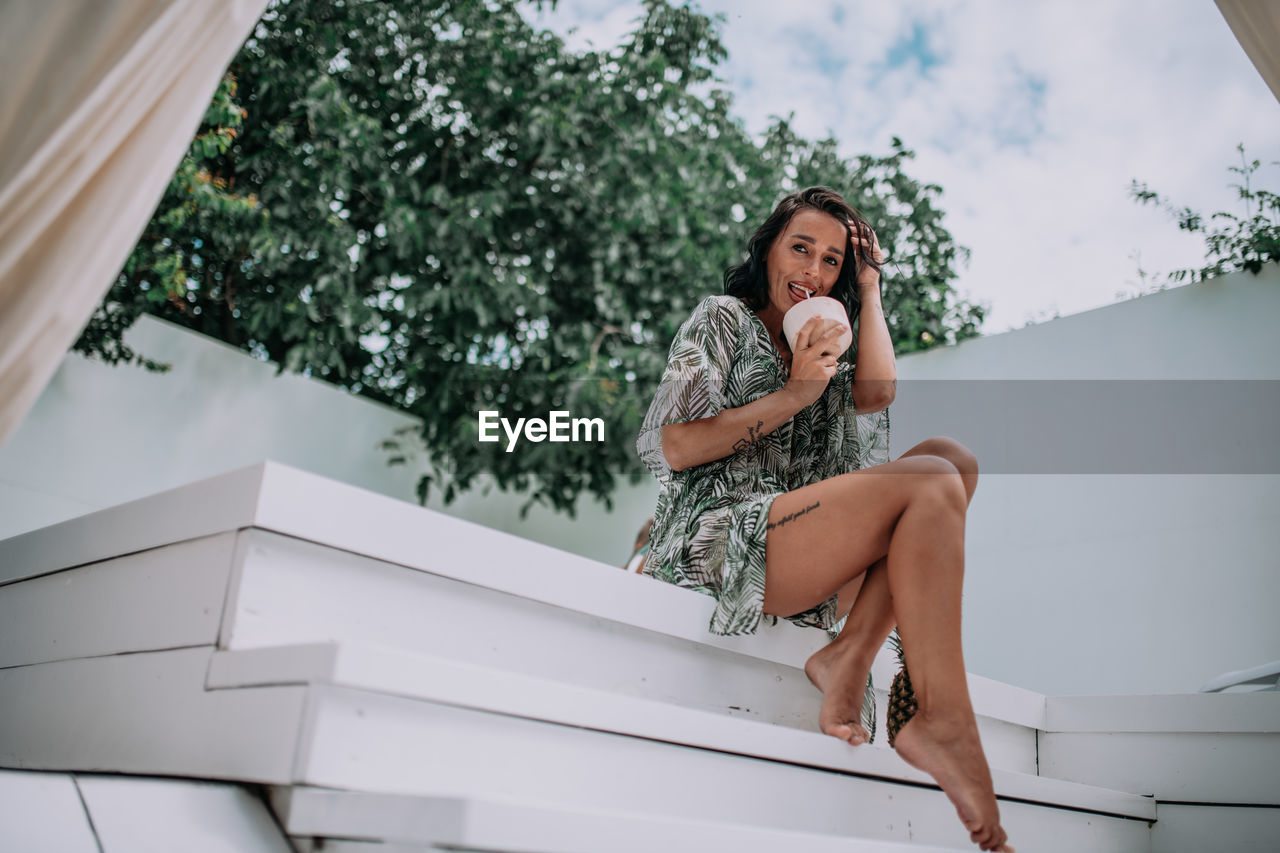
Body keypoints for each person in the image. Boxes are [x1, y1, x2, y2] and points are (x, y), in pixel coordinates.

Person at [635, 186, 1012, 852]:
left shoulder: (826, 348)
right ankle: (943, 719)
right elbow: (677, 444)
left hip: (795, 542)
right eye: (800, 249)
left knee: (955, 461)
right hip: (717, 538)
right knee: (929, 478)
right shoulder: (723, 318)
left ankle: (849, 653)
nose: (812, 272)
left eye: (832, 261)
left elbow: (878, 392)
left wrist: (870, 289)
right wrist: (793, 395)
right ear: (769, 250)